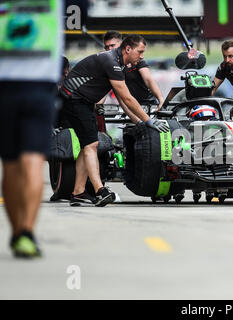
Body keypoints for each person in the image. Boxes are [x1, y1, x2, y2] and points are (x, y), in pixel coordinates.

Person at [60, 35, 169, 207]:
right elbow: (127, 97)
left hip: (83, 101)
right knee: (91, 145)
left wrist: (139, 122)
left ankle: (78, 192)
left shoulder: (119, 63)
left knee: (87, 145)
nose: (141, 56)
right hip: (74, 99)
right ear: (128, 49)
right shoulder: (111, 61)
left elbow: (121, 97)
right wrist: (148, 120)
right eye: (139, 52)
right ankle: (100, 191)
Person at [0, 0, 63, 258]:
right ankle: (27, 232)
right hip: (40, 89)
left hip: (4, 89)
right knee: (33, 162)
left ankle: (17, 234)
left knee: (11, 166)